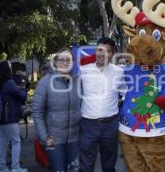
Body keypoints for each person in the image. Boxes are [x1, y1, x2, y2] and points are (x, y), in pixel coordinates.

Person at [79, 37, 126, 172]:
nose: (102, 53)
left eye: (107, 51)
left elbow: (125, 93)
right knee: (86, 165)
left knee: (109, 165)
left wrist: (119, 102)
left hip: (110, 125)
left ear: (112, 54)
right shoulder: (83, 71)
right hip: (88, 124)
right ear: (96, 51)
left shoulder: (118, 72)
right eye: (100, 49)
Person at [32, 48, 81, 172]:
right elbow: (37, 112)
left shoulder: (77, 82)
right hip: (54, 140)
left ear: (73, 62)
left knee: (74, 170)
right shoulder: (45, 82)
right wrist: (45, 137)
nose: (65, 62)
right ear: (56, 62)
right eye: (61, 59)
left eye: (68, 60)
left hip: (74, 139)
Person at [0, 61, 28, 172]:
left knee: (2, 143)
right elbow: (22, 95)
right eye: (10, 67)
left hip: (1, 118)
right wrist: (23, 87)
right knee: (16, 142)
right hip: (10, 117)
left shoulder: (1, 83)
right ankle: (15, 168)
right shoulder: (9, 83)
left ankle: (2, 167)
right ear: (7, 70)